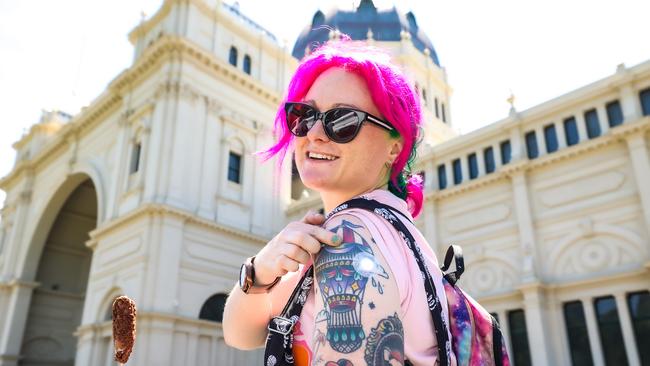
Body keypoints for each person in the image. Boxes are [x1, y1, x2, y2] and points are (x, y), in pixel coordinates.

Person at [223, 40, 456, 366]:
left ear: (394, 146)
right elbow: (241, 334)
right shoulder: (386, 229)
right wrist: (262, 269)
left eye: (343, 120)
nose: (314, 133)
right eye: (304, 115)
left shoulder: (350, 234)